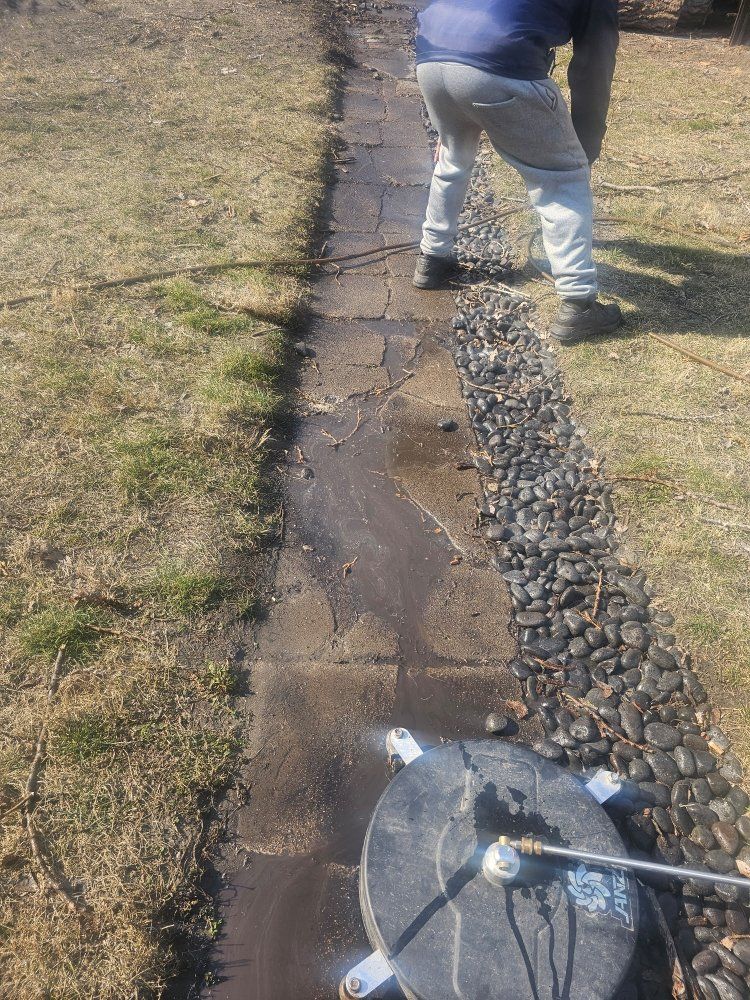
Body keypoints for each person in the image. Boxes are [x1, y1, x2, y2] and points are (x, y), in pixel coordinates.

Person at [412, 0, 622, 346]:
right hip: (499, 59)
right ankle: (578, 302)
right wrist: (584, 148)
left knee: (453, 155)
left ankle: (432, 258)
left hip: (432, 56)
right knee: (562, 178)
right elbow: (594, 65)